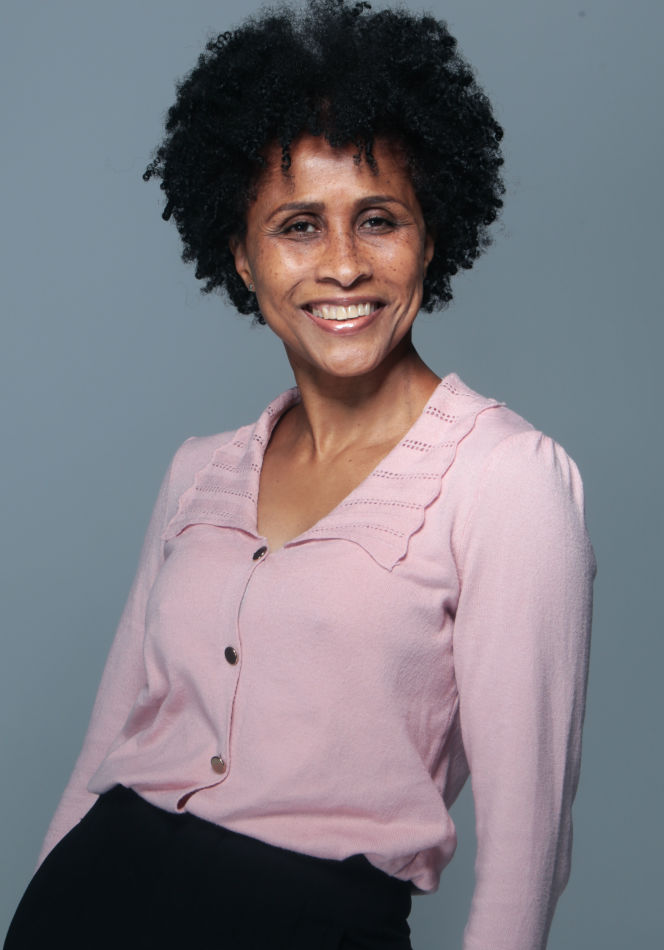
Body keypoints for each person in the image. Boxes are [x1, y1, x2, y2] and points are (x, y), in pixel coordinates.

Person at [4, 1, 595, 948]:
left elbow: (529, 857)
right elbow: (102, 756)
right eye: (298, 227)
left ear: (430, 237)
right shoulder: (197, 472)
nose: (344, 266)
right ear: (242, 259)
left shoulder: (506, 483)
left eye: (378, 220)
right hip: (83, 908)